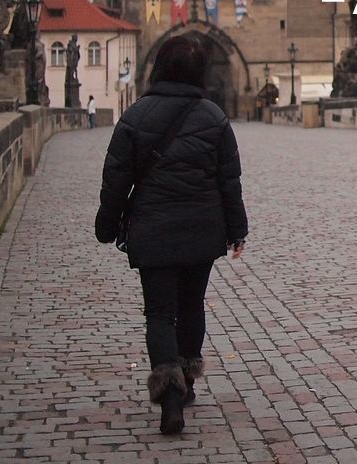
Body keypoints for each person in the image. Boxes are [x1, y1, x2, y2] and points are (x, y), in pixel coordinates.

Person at [94, 36, 248, 435]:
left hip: (154, 229)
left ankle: (170, 398)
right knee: (192, 305)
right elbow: (229, 181)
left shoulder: (136, 115)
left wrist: (107, 225)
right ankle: (188, 380)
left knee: (160, 313)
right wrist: (237, 230)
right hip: (202, 228)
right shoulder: (214, 117)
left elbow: (116, 179)